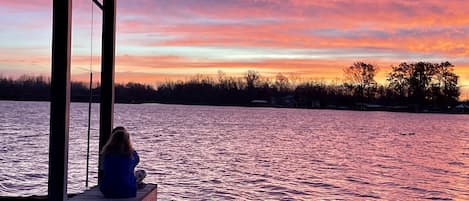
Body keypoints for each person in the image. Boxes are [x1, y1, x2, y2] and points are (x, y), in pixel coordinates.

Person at [99, 126, 146, 198]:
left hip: (108, 191)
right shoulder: (131, 154)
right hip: (127, 192)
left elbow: (103, 168)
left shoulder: (106, 153)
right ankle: (135, 183)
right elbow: (136, 161)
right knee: (141, 173)